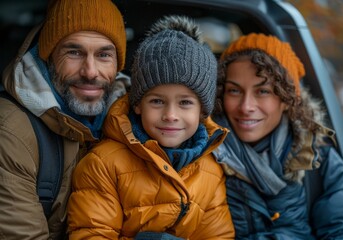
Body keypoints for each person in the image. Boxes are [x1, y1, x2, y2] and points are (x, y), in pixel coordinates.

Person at [67, 15, 235, 239]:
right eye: (157, 101)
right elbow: (91, 234)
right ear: (138, 105)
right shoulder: (103, 164)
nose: (171, 115)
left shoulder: (210, 169)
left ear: (203, 112)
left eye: (185, 103)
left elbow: (218, 235)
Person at [0, 0, 128, 239]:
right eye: (74, 52)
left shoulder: (140, 122)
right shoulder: (11, 131)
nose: (90, 71)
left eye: (104, 55)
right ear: (48, 57)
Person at [212, 33, 343, 239]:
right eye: (234, 91)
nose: (246, 107)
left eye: (262, 91)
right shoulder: (201, 157)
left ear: (287, 99)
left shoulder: (319, 160)